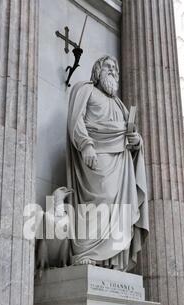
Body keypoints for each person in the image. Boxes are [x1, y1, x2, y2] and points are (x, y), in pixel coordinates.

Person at [67, 55, 149, 271]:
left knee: (120, 207)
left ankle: (111, 260)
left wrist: (137, 141)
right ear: (98, 70)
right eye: (109, 67)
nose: (113, 71)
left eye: (116, 68)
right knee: (100, 199)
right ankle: (86, 252)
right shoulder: (85, 90)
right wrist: (86, 145)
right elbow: (76, 120)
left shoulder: (119, 104)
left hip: (121, 162)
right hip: (97, 155)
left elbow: (129, 134)